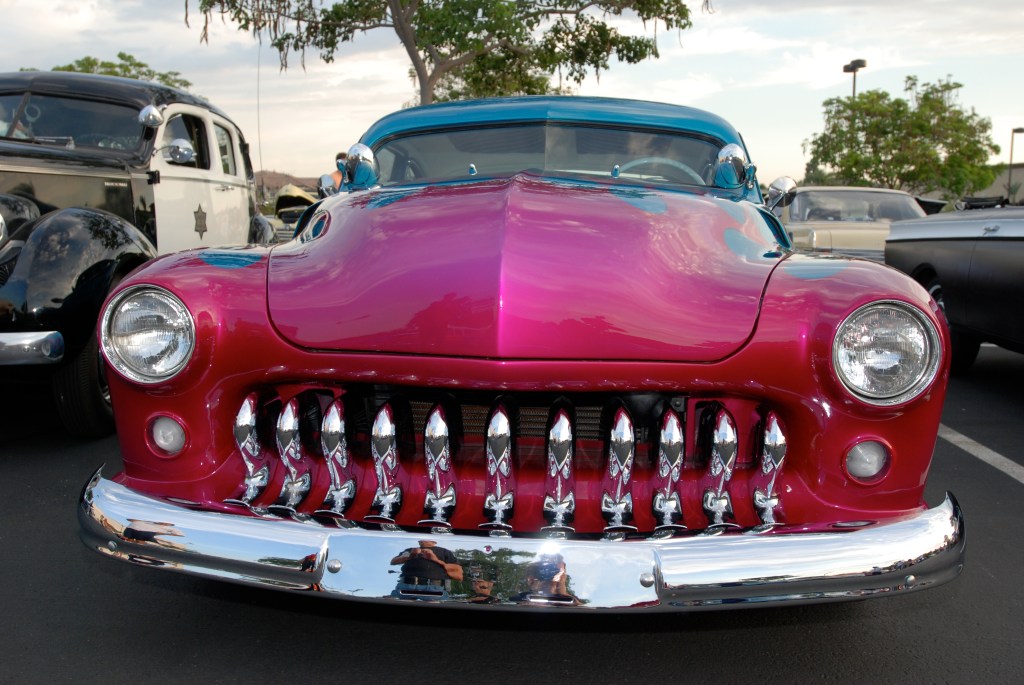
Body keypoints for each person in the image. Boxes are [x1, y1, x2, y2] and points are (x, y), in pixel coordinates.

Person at [389, 539, 463, 600]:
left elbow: (458, 574)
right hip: (406, 586)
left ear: (434, 541)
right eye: (420, 538)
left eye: (425, 538)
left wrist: (435, 559)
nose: (421, 540)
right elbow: (393, 562)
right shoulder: (409, 550)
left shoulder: (444, 552)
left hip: (434, 589)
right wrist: (410, 556)